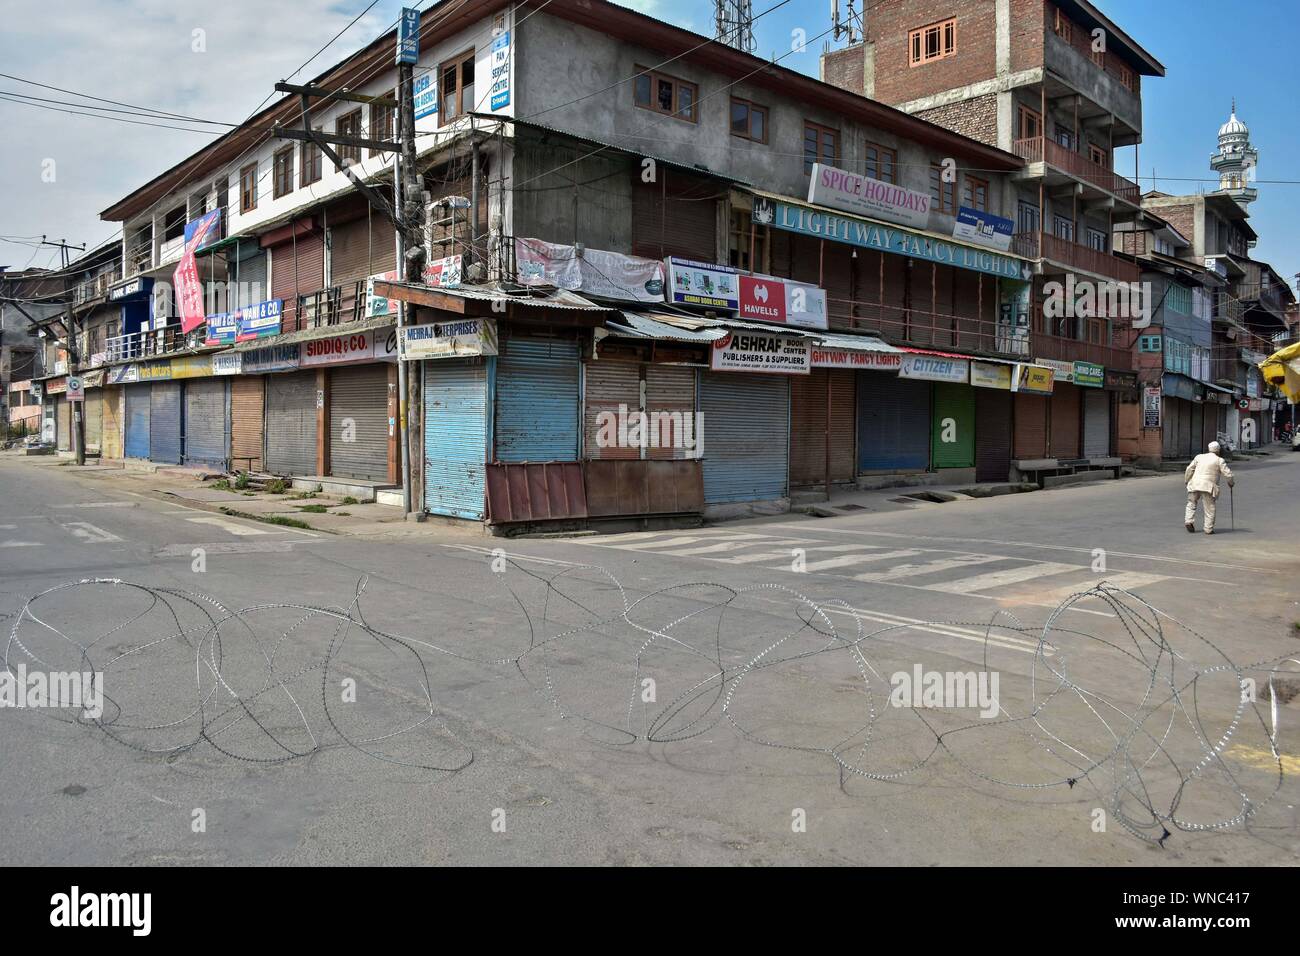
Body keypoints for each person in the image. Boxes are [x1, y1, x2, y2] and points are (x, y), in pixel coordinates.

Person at [1184, 441, 1234, 534]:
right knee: (1209, 508)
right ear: (1218, 450)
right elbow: (1228, 474)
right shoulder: (1219, 460)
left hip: (1195, 484)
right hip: (1208, 486)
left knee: (1191, 503)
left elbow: (1189, 469)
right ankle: (1208, 529)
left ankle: (1189, 521)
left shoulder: (1199, 457)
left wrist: (1187, 480)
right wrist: (1231, 483)